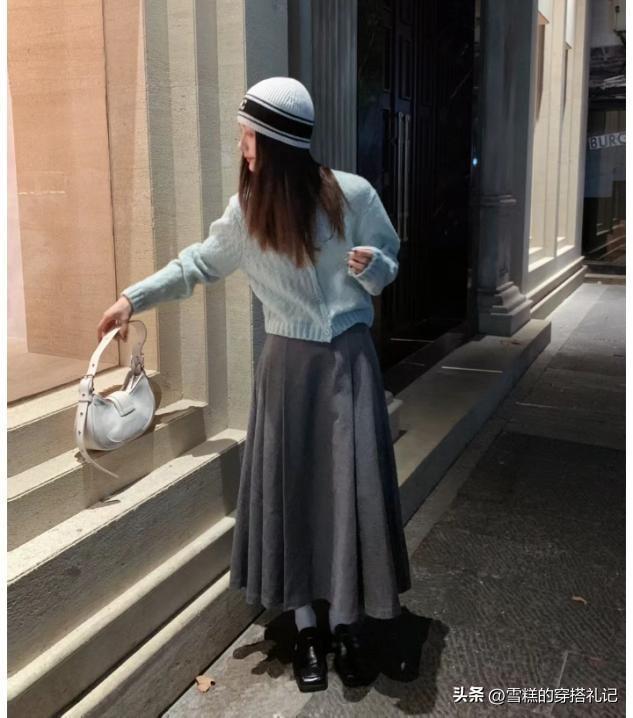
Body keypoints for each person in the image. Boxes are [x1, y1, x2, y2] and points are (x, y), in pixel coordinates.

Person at [97, 76, 411, 693]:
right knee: (294, 493)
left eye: (249, 136)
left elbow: (390, 259)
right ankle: (307, 627)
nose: (242, 147)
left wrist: (375, 269)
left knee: (347, 492)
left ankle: (347, 623)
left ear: (276, 143)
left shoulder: (354, 194)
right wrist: (133, 298)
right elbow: (196, 264)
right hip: (287, 368)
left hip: (349, 363)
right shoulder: (246, 215)